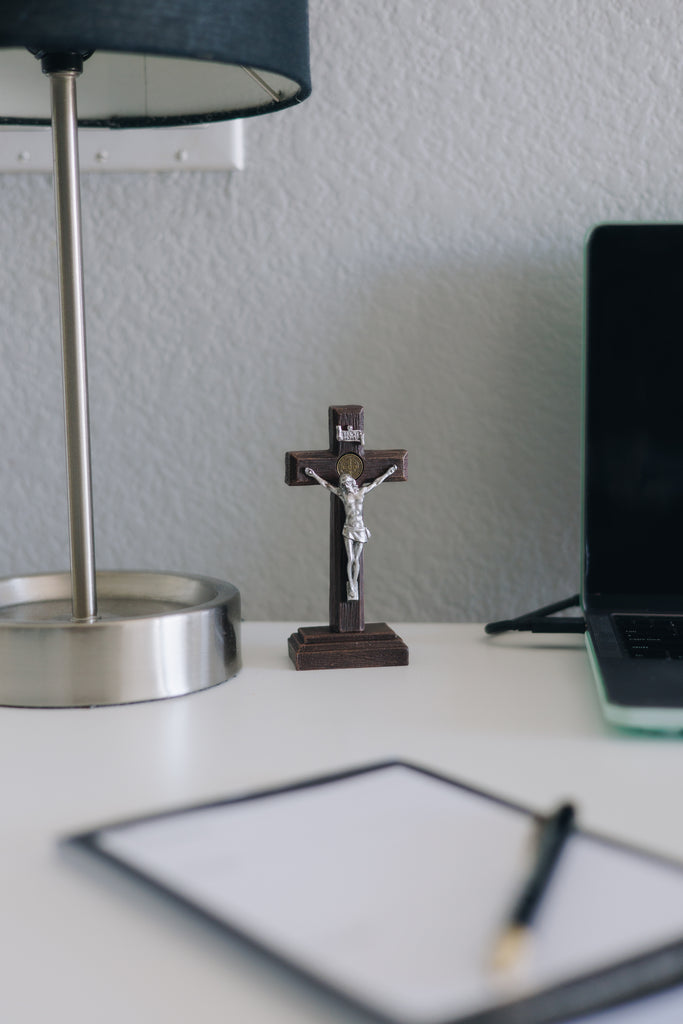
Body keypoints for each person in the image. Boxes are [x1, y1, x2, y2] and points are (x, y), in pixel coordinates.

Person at [304, 464, 397, 600]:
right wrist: (313, 475)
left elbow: (376, 482)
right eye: (343, 483)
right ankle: (352, 585)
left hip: (360, 529)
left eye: (347, 482)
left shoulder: (362, 492)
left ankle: (355, 582)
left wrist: (388, 473)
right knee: (350, 558)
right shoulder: (342, 494)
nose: (345, 484)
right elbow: (326, 485)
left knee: (356, 560)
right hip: (348, 528)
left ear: (352, 482)